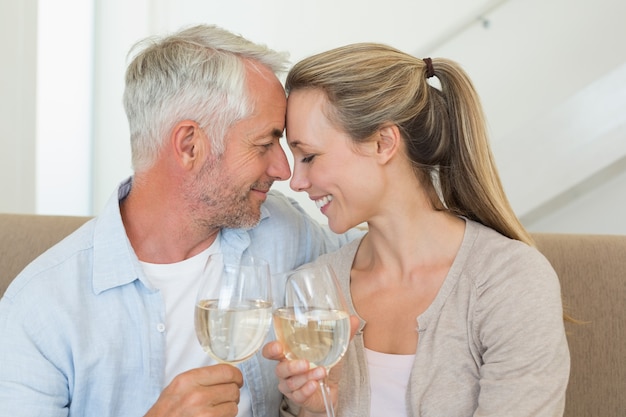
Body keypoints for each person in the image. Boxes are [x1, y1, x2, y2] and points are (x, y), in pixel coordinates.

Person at [0, 25, 361, 417]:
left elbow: (386, 260)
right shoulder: (40, 307)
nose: (283, 169)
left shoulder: (282, 229)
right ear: (189, 145)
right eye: (264, 144)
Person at [262, 43, 570, 417]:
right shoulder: (316, 290)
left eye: (308, 156)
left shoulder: (509, 281)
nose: (295, 181)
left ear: (383, 143)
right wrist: (315, 409)